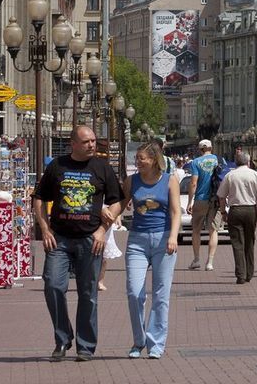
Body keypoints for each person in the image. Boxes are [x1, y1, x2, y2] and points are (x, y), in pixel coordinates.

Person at [32, 125, 125, 362]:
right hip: (60, 239)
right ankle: (62, 339)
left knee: (88, 293)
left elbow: (117, 201)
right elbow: (40, 197)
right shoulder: (57, 166)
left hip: (90, 239)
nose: (92, 145)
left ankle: (85, 346)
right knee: (53, 285)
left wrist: (103, 230)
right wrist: (45, 229)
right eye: (86, 142)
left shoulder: (102, 167)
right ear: (73, 143)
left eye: (93, 141)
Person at [112, 142, 179, 359]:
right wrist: (107, 215)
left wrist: (173, 237)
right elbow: (121, 204)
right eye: (137, 159)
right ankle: (139, 340)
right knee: (134, 293)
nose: (138, 162)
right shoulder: (132, 181)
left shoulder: (170, 181)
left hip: (163, 240)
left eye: (142, 159)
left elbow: (176, 212)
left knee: (161, 295)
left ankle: (156, 344)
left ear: (154, 160)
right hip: (137, 241)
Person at [216, 150, 257, 284]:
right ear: (248, 162)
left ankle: (241, 274)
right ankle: (249, 273)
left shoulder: (230, 175)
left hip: (236, 210)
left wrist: (223, 212)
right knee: (250, 241)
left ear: (236, 162)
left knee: (237, 243)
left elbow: (221, 196)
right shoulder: (255, 175)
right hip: (251, 210)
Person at [186, 139, 222, 271]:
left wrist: (190, 201)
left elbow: (193, 183)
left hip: (201, 199)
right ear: (211, 148)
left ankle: (196, 259)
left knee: (196, 230)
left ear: (200, 149)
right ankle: (210, 262)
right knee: (213, 231)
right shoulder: (218, 160)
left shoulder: (195, 162)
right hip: (215, 199)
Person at [97, 210, 123, 291]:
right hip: (90, 216)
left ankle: (100, 281)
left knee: (103, 255)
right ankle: (88, 280)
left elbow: (117, 200)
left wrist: (118, 216)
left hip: (107, 219)